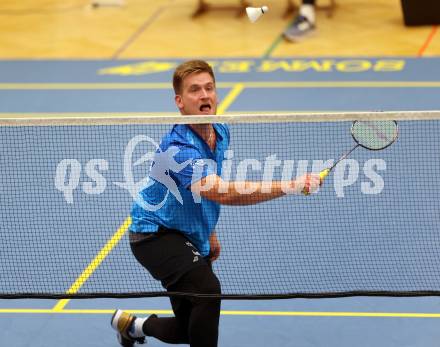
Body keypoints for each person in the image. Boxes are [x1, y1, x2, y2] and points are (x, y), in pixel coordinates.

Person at [110, 59, 321, 347]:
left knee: (189, 327)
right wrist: (289, 185)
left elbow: (206, 184)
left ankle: (132, 326)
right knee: (208, 291)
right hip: (153, 235)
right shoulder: (177, 148)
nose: (205, 95)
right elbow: (222, 192)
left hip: (187, 233)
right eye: (195, 90)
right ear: (180, 101)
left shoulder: (219, 132)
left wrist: (208, 231)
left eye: (209, 88)